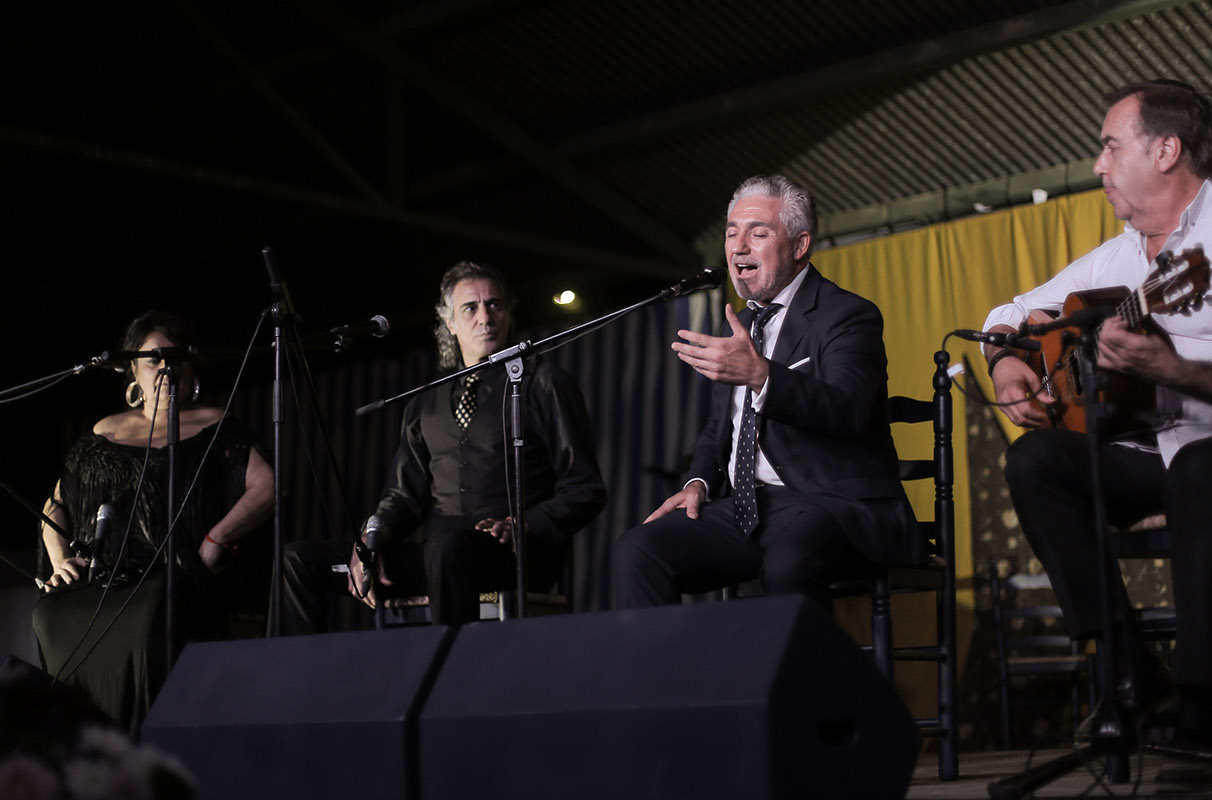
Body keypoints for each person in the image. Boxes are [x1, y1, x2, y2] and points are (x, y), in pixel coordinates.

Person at [983, 80, 1212, 790]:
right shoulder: (1123, 255)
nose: (1098, 166)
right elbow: (1011, 312)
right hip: (1169, 447)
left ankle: (1201, 719)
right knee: (1037, 459)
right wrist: (1007, 364)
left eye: (1109, 146)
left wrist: (1171, 368)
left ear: (1165, 150)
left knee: (1204, 470)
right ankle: (1131, 672)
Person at [613, 174, 923, 611]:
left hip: (830, 504)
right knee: (639, 552)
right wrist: (698, 480)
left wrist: (763, 376)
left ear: (799, 246)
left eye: (758, 233)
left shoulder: (847, 316)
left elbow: (849, 410)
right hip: (746, 506)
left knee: (787, 563)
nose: (739, 246)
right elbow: (720, 427)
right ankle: (672, 681)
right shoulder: (737, 324)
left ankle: (801, 680)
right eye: (731, 233)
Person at [283, 261, 605, 628]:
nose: (486, 317)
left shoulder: (542, 382)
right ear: (450, 323)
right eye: (470, 307)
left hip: (514, 556)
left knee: (446, 544)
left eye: (495, 304)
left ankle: (450, 676)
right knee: (298, 560)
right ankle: (297, 678)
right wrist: (372, 540)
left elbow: (586, 488)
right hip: (439, 557)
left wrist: (525, 524)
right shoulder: (426, 402)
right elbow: (403, 498)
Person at [33, 310, 274, 736]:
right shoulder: (102, 432)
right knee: (50, 612)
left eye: (175, 359)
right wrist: (60, 560)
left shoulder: (217, 425)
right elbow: (54, 507)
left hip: (174, 576)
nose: (166, 368)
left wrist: (217, 538)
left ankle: (144, 747)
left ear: (191, 367)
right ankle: (77, 748)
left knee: (151, 617)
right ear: (133, 370)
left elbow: (268, 487)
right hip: (102, 578)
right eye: (153, 360)